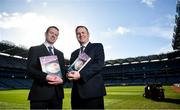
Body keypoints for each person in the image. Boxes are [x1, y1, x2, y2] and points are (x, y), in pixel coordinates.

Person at [67, 25, 106, 109]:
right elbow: (72, 70)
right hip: (76, 95)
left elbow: (99, 65)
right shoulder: (73, 54)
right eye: (78, 33)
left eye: (83, 32)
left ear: (88, 34)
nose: (81, 35)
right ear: (76, 36)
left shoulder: (97, 47)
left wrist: (80, 75)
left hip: (93, 93)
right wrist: (69, 75)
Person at [27, 26, 66, 109]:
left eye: (56, 34)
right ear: (45, 34)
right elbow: (30, 70)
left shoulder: (60, 54)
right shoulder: (35, 49)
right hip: (40, 95)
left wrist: (62, 80)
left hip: (57, 95)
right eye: (51, 33)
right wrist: (46, 76)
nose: (53, 36)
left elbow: (64, 73)